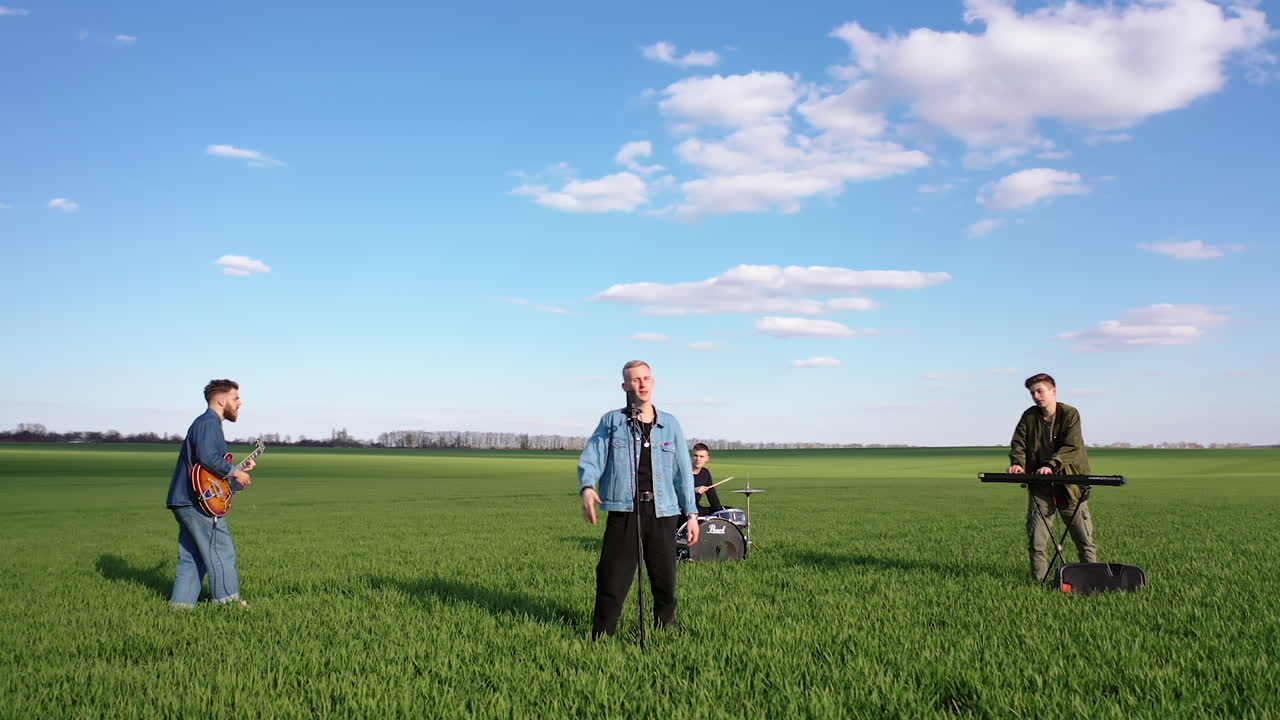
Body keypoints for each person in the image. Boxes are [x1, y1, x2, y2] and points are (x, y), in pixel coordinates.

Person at [578, 360, 699, 639]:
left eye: (646, 378)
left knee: (665, 579)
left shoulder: (670, 424)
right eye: (635, 380)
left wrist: (691, 515)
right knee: (612, 578)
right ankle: (602, 636)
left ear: (653, 383)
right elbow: (593, 456)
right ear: (625, 386)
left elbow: (682, 472)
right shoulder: (612, 421)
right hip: (625, 510)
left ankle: (663, 632)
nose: (642, 384)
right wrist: (587, 486)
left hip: (663, 511)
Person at [164, 379, 255, 608]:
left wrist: (238, 473)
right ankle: (228, 603)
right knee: (221, 550)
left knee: (192, 556)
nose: (239, 403)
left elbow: (209, 474)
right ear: (221, 400)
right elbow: (208, 457)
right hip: (196, 502)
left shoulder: (205, 424)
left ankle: (181, 607)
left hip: (185, 500)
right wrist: (235, 472)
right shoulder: (208, 423)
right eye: (235, 398)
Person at [1007, 372, 1097, 581]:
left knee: (1083, 539)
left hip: (1071, 486)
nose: (1036, 396)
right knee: (1037, 541)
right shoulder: (1029, 416)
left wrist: (1051, 465)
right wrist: (1017, 465)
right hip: (1041, 488)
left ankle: (1093, 581)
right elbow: (1018, 443)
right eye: (1032, 393)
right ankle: (1040, 584)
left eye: (1040, 391)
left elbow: (1072, 446)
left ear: (1053, 391)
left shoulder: (1070, 414)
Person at [691, 443, 724, 517]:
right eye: (696, 455)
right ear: (692, 456)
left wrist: (721, 512)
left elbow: (712, 497)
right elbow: (674, 491)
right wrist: (693, 490)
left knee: (726, 510)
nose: (698, 459)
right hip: (680, 509)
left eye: (701, 456)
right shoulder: (682, 472)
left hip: (696, 508)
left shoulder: (705, 473)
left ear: (707, 458)